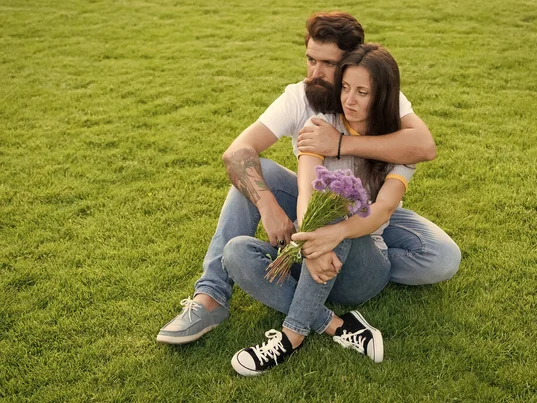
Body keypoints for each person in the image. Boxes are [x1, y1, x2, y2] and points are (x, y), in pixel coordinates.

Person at [156, 12, 460, 346]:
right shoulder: (299, 98)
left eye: (328, 64)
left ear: (353, 61)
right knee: (258, 174)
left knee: (441, 257)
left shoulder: (375, 89)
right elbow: (237, 153)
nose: (315, 73)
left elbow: (424, 147)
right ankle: (211, 296)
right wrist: (270, 208)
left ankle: (346, 265)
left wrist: (341, 144)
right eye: (310, 60)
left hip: (374, 212)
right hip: (315, 203)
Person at [224, 43, 415, 376]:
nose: (349, 99)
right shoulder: (319, 126)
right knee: (236, 252)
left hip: (363, 269)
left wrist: (333, 232)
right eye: (344, 87)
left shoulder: (398, 145)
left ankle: (290, 337)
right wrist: (312, 247)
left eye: (362, 92)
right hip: (314, 255)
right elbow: (306, 189)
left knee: (340, 207)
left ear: (382, 96)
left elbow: (383, 210)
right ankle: (338, 326)